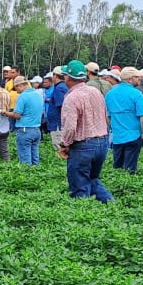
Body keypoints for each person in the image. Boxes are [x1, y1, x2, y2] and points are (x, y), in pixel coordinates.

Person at [56, 60, 113, 202]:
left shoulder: (71, 97)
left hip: (83, 146)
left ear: (68, 77)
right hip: (102, 141)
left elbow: (70, 126)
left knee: (79, 184)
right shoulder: (96, 92)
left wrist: (64, 145)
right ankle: (111, 204)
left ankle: (82, 218)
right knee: (93, 178)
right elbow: (105, 116)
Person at [105, 67, 143, 173]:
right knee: (130, 169)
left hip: (117, 137)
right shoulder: (137, 94)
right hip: (134, 136)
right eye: (137, 77)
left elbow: (107, 116)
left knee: (117, 168)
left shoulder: (109, 94)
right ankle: (128, 188)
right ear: (130, 79)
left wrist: (113, 129)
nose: (139, 79)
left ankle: (117, 188)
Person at [3, 76, 43, 165]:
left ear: (20, 85)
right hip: (36, 130)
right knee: (35, 157)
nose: (16, 91)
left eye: (16, 87)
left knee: (25, 160)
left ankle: (27, 177)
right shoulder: (38, 94)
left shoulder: (23, 96)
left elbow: (17, 115)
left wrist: (5, 113)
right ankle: (36, 175)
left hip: (25, 130)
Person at [45, 67, 68, 146]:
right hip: (58, 123)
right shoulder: (62, 86)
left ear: (55, 76)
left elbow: (62, 106)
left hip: (57, 124)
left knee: (58, 146)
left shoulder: (59, 88)